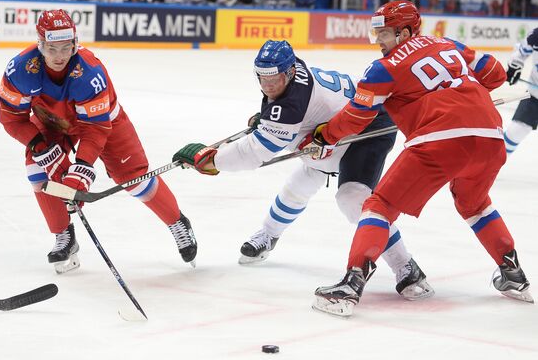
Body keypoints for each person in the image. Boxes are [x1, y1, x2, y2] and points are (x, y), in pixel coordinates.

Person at [307, 0, 533, 317]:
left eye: (384, 34)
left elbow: (356, 118)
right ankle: (513, 274)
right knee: (474, 203)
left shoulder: (382, 69)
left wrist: (323, 136)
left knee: (378, 206)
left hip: (440, 141)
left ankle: (350, 284)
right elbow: (495, 74)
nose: (379, 42)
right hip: (492, 136)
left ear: (406, 31)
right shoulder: (449, 44)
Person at [172, 39, 434, 300]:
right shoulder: (291, 73)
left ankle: (406, 267)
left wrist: (210, 160)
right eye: (262, 78)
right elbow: (294, 115)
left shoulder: (291, 104)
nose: (267, 86)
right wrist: (270, 120)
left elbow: (252, 153)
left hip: (369, 126)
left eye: (273, 79)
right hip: (335, 123)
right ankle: (269, 235)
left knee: (353, 199)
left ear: (289, 72)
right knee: (304, 179)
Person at [0, 9, 197, 273]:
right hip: (52, 123)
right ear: (40, 45)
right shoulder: (21, 70)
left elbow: (96, 127)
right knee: (36, 168)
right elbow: (12, 118)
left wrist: (81, 167)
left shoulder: (89, 71)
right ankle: (64, 236)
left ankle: (177, 222)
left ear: (75, 43)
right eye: (52, 48)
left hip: (104, 123)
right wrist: (41, 147)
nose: (59, 57)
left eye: (66, 48)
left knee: (134, 178)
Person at [503, 27, 538, 154]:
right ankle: (486, 170)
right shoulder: (536, 35)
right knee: (514, 132)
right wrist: (515, 66)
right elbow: (521, 51)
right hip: (535, 96)